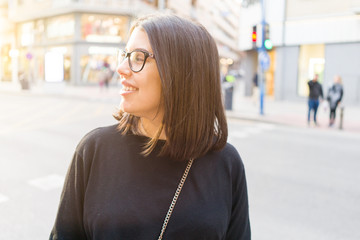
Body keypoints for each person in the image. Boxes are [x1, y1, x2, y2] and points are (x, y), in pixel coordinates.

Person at [49, 13, 251, 240]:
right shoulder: (95, 149)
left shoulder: (225, 162)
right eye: (125, 55)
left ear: (179, 71)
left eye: (138, 57)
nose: (121, 68)